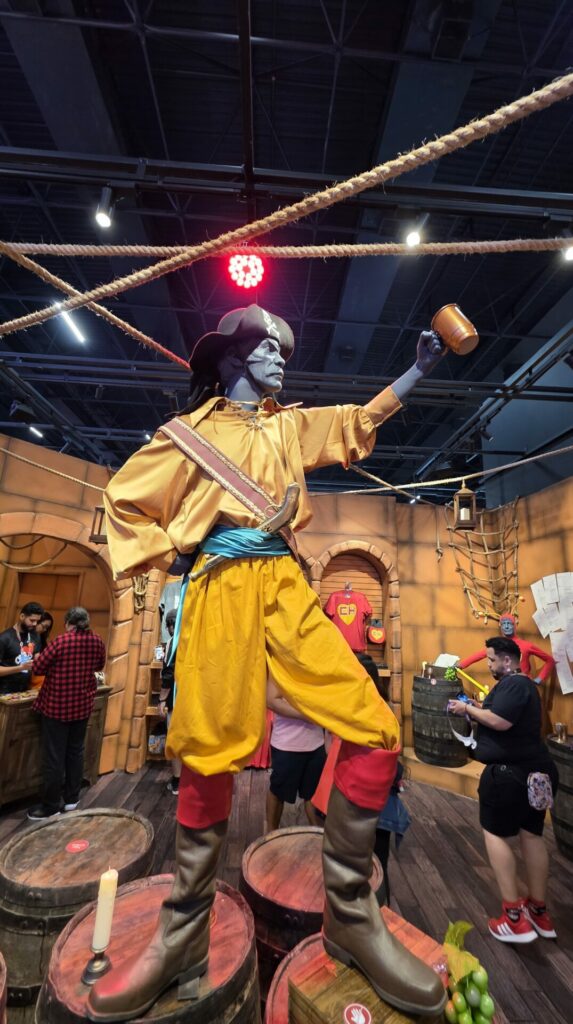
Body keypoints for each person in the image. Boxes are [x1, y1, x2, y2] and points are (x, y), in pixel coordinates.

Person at [88, 303, 448, 1022]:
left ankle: (351, 917)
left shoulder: (289, 426)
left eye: (284, 348)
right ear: (233, 356)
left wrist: (417, 369)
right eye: (269, 348)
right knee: (205, 752)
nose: (282, 358)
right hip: (219, 586)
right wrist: (178, 549)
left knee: (374, 727)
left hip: (285, 583)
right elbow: (122, 502)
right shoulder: (186, 437)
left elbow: (353, 422)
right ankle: (182, 936)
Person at [449, 635, 558, 944]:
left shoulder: (514, 684)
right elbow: (501, 713)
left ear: (508, 660)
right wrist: (475, 706)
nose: (489, 664)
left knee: (494, 834)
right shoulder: (523, 687)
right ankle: (538, 912)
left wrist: (467, 709)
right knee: (531, 835)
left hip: (510, 776)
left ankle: (513, 918)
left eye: (492, 659)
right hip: (536, 774)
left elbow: (499, 721)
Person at [312, 653, 411, 907]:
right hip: (378, 801)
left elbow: (332, 750)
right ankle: (380, 910)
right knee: (376, 862)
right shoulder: (385, 713)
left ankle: (356, 912)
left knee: (349, 862)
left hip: (354, 797)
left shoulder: (349, 713)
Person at [27, 606, 106, 821]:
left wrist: (40, 657)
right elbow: (99, 665)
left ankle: (51, 805)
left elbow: (38, 668)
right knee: (75, 752)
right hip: (82, 706)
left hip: (57, 707)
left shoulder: (61, 641)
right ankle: (72, 799)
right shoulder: (97, 641)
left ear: (68, 623)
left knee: (54, 756)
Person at [265, 675, 325, 831]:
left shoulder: (319, 667)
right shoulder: (281, 666)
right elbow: (271, 701)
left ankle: (318, 836)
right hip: (287, 744)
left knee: (313, 795)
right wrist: (306, 714)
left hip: (316, 742)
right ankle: (270, 835)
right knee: (278, 792)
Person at [458, 613, 555, 684]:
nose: (507, 626)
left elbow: (550, 660)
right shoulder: (498, 645)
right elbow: (479, 655)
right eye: (504, 624)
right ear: (500, 626)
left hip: (524, 685)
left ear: (514, 625)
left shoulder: (526, 645)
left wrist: (539, 679)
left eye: (509, 623)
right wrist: (461, 665)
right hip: (506, 684)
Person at [158, 608, 182, 796]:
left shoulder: (173, 643)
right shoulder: (194, 639)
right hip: (193, 700)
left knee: (174, 739)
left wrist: (161, 700)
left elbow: (168, 675)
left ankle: (177, 781)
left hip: (176, 698)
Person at [0, 601, 44, 695]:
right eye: (32, 620)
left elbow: (37, 658)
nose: (35, 624)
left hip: (24, 691)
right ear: (22, 616)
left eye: (37, 621)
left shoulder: (35, 636)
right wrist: (20, 668)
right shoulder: (4, 638)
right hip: (4, 692)